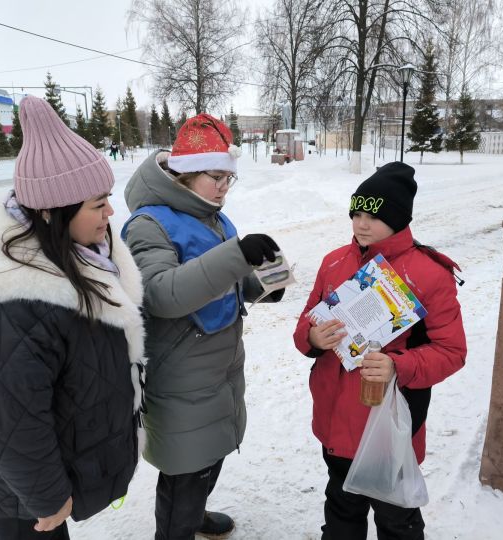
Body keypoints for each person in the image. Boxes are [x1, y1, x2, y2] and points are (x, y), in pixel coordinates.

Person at [0, 96, 145, 540]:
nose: (111, 213)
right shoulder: (14, 304)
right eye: (97, 204)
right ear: (52, 213)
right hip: (12, 478)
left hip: (29, 466)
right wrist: (46, 495)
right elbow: (6, 416)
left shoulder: (80, 255)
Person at [121, 113, 285, 540]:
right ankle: (177, 529)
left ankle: (194, 517)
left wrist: (260, 286)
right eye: (218, 177)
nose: (225, 188)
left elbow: (223, 279)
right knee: (184, 474)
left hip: (217, 371)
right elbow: (162, 294)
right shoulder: (148, 224)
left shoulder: (209, 216)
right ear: (187, 174)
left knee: (208, 459)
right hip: (181, 378)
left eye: (230, 179)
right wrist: (236, 256)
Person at [292, 162, 467, 540]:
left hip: (388, 427)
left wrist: (397, 365)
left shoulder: (430, 274)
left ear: (399, 218)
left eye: (373, 215)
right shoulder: (334, 262)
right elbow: (305, 323)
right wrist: (312, 338)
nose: (361, 223)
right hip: (335, 418)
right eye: (356, 212)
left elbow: (452, 351)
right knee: (341, 515)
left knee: (397, 523)